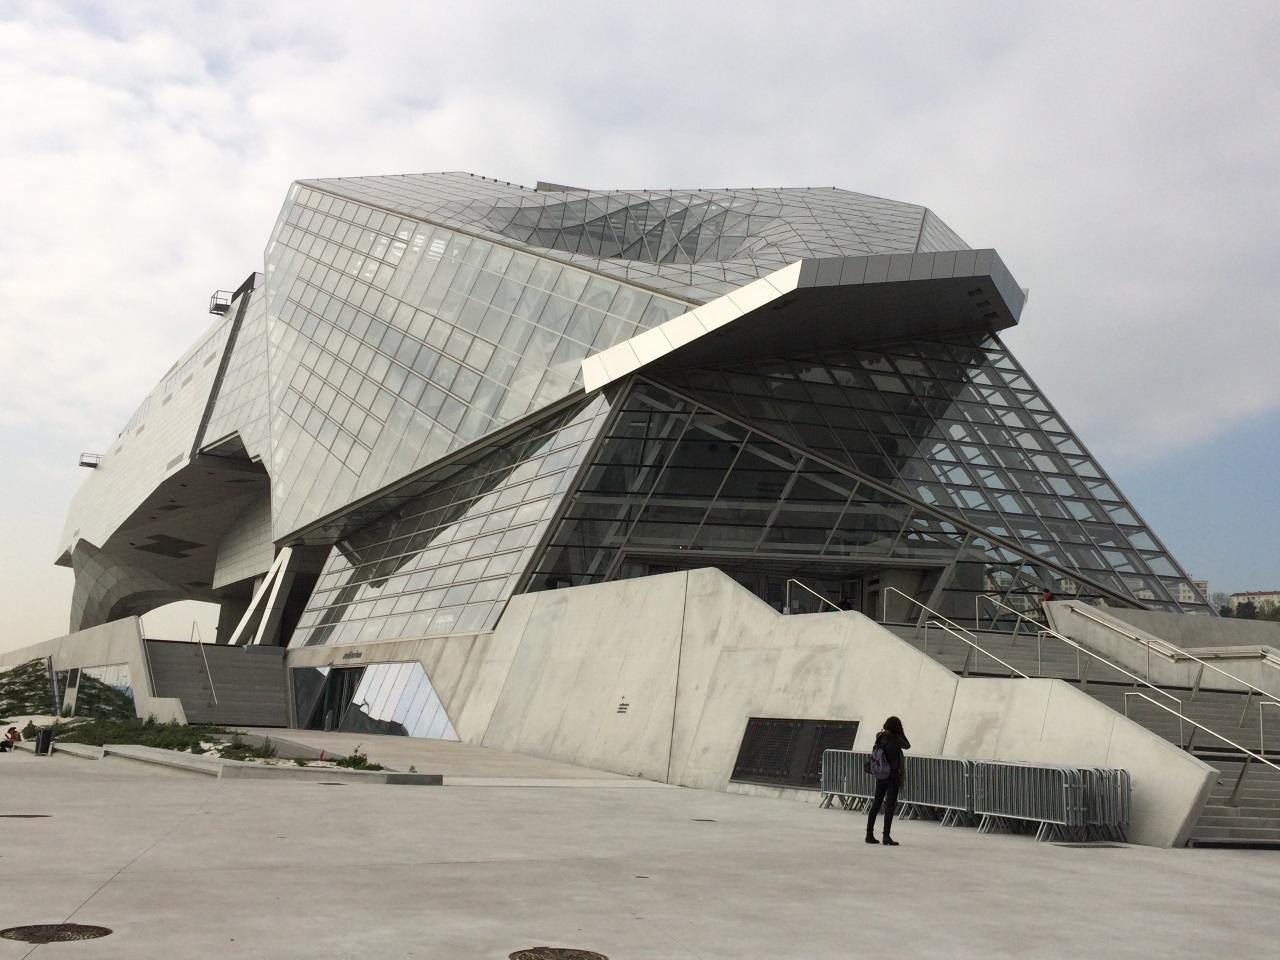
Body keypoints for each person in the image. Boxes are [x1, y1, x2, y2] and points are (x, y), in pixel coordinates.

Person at [866, 716, 911, 846]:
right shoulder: (896, 739)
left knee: (877, 803)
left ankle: (869, 834)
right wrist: (901, 733)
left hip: (881, 774)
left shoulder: (880, 736)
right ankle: (886, 836)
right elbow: (907, 745)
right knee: (890, 805)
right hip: (892, 774)